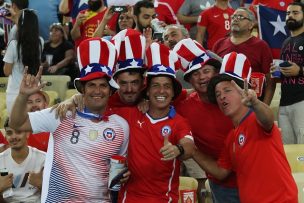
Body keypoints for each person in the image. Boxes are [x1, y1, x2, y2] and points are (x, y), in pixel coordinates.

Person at [9, 37, 130, 202]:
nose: (97, 91)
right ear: (82, 89)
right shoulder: (61, 114)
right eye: (91, 85)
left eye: (103, 85)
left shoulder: (121, 126)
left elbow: (120, 168)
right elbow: (17, 123)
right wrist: (23, 96)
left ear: (110, 91)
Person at [192, 52, 298, 203]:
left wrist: (255, 103)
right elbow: (221, 173)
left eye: (227, 90)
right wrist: (192, 151)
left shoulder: (256, 119)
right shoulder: (232, 137)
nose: (222, 96)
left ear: (244, 91)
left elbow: (268, 120)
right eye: (217, 94)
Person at [117, 42, 195, 203]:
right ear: (147, 91)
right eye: (156, 86)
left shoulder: (179, 122)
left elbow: (189, 146)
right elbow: (97, 110)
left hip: (163, 199)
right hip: (128, 199)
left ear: (173, 93)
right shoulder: (129, 114)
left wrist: (178, 149)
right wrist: (75, 99)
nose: (161, 91)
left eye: (167, 86)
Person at [173, 38, 239, 203]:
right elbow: (157, 96)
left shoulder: (236, 97)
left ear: (216, 72)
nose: (202, 77)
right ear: (189, 80)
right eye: (195, 73)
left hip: (253, 178)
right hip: (222, 185)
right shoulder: (184, 107)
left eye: (206, 70)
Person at [212, 7, 275, 105]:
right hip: (223, 103)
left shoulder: (261, 46)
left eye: (241, 17)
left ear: (251, 25)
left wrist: (264, 107)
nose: (236, 19)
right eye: (233, 17)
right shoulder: (219, 44)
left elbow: (270, 81)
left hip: (251, 103)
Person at [271, 1, 304, 144]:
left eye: (295, 13)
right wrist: (277, 71)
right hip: (284, 102)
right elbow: (286, 73)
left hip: (301, 102)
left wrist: (301, 70)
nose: (290, 15)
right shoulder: (286, 42)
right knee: (287, 149)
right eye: (288, 13)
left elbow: (298, 70)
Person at [3, 9, 43, 115]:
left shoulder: (13, 45)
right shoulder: (40, 42)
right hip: (35, 92)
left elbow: (7, 72)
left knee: (16, 128)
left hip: (16, 92)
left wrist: (7, 56)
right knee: (34, 128)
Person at [0, 118, 45, 203]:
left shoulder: (43, 159)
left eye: (18, 132)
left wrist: (42, 185)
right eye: (9, 133)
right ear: (5, 136)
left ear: (27, 134)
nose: (14, 137)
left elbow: (57, 195)